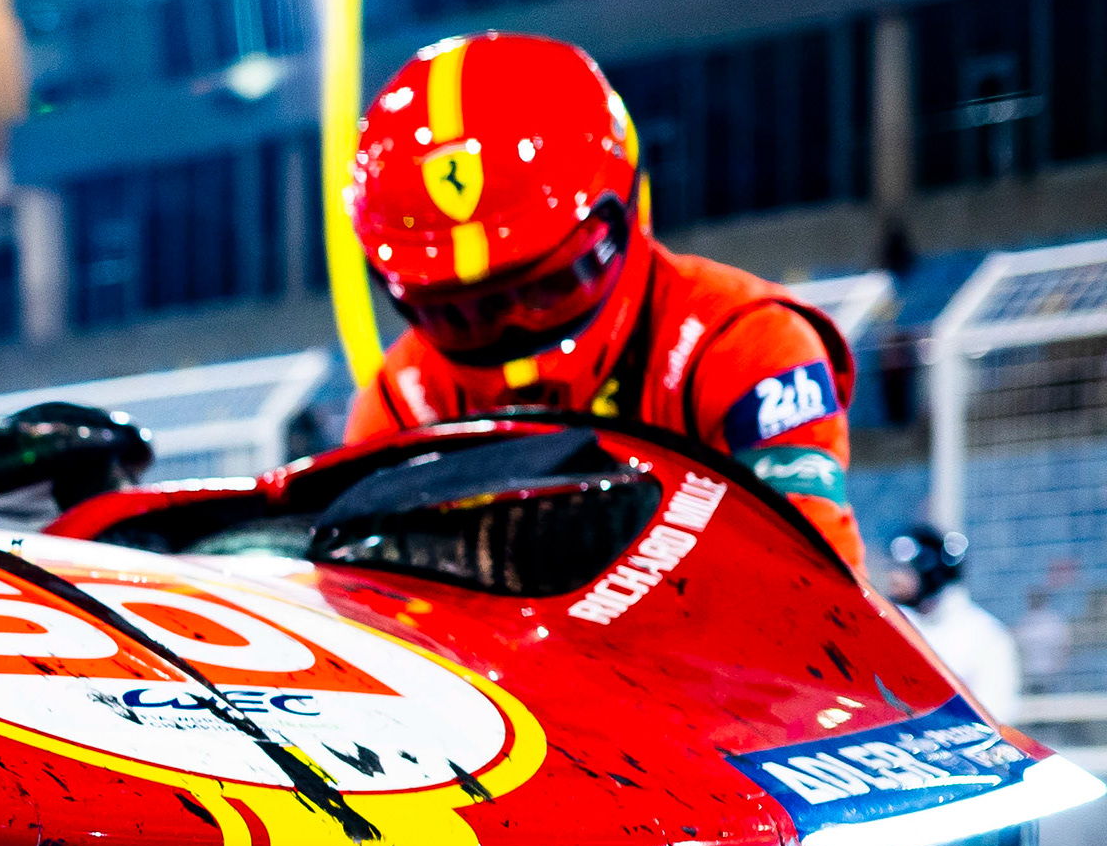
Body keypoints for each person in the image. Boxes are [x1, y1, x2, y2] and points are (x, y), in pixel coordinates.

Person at [343, 31, 861, 562]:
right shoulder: (400, 400)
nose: (516, 357)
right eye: (458, 313)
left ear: (626, 215)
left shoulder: (746, 346)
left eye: (551, 285)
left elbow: (815, 586)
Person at [880, 522, 1025, 719]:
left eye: (904, 569)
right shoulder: (892, 626)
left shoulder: (984, 635)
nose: (893, 578)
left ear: (930, 570)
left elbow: (997, 710)